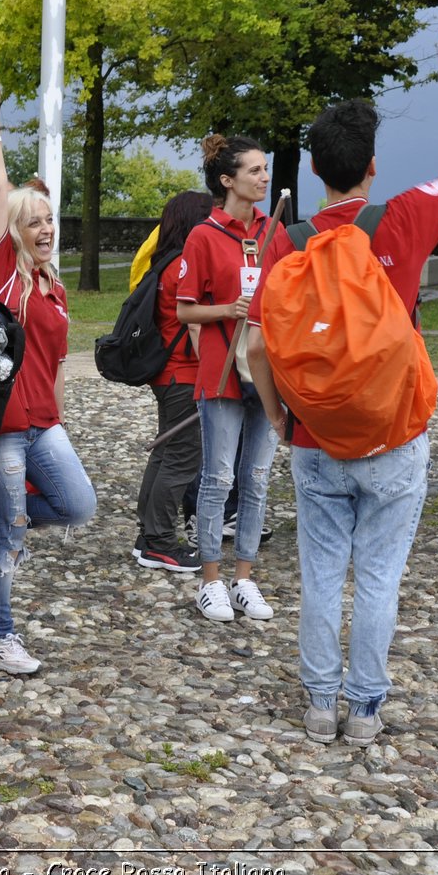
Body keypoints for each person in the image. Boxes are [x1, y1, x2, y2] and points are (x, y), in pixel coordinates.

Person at [247, 21, 438, 745]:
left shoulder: (287, 242)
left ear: (316, 168)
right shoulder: (400, 217)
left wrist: (277, 417)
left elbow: (257, 350)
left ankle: (317, 704)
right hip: (394, 433)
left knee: (321, 572)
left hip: (313, 437)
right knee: (380, 574)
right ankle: (364, 711)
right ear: (370, 166)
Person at [0, 62, 97, 674]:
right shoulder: (0, 275)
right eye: (34, 221)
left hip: (43, 424)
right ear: (14, 232)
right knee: (8, 539)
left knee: (77, 505)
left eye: (50, 219)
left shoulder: (53, 285)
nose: (46, 229)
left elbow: (59, 361)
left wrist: (60, 416)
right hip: (3, 428)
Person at [176, 134, 279, 623]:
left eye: (265, 169)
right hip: (221, 373)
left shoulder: (272, 232)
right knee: (217, 478)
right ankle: (210, 581)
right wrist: (229, 309)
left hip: (267, 372)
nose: (263, 178)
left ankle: (245, 577)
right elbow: (183, 309)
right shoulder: (203, 236)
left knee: (256, 479)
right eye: (254, 170)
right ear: (227, 180)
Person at [133, 190, 215, 572]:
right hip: (185, 373)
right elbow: (194, 319)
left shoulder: (163, 260)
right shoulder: (186, 263)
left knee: (165, 452)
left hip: (166, 373)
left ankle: (149, 533)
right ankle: (162, 542)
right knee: (182, 460)